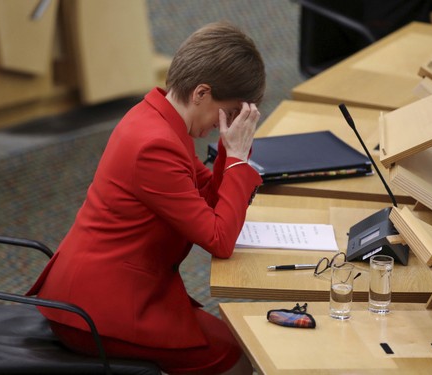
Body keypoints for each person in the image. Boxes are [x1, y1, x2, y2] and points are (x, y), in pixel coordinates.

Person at [27, 21, 265, 375]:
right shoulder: (156, 146)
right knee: (238, 358)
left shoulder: (159, 120)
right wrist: (236, 160)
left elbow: (207, 202)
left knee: (237, 341)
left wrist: (230, 156)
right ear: (201, 93)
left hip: (117, 289)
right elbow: (218, 239)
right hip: (96, 311)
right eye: (228, 113)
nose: (223, 124)